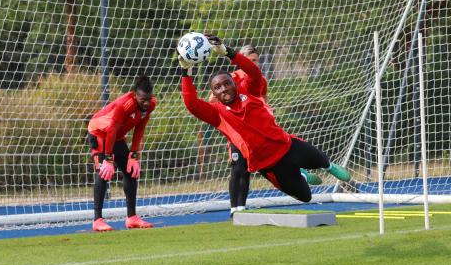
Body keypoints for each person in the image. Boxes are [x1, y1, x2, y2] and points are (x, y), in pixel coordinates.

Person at [179, 35, 350, 205]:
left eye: (227, 84)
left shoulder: (249, 90)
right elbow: (191, 104)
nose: (224, 89)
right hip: (268, 165)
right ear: (214, 94)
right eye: (218, 87)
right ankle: (301, 175)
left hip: (286, 146)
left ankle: (330, 167)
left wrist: (227, 52)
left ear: (235, 84)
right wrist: (185, 71)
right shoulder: (216, 113)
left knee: (321, 161)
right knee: (306, 196)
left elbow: (254, 72)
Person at [208, 44, 321, 217]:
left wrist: (267, 110)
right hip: (238, 136)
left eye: (256, 61)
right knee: (239, 169)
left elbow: (264, 98)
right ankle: (236, 210)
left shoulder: (258, 79)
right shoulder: (229, 80)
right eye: (250, 60)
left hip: (259, 135)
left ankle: (298, 175)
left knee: (269, 164)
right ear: (241, 60)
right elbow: (212, 102)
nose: (254, 64)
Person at [87, 75, 156, 231]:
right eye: (142, 99)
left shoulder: (151, 105)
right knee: (104, 173)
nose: (146, 103)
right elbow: (111, 130)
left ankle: (132, 218)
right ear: (134, 95)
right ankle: (97, 220)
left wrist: (133, 155)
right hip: (99, 133)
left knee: (131, 171)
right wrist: (108, 159)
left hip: (116, 136)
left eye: (148, 99)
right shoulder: (124, 105)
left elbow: (140, 128)